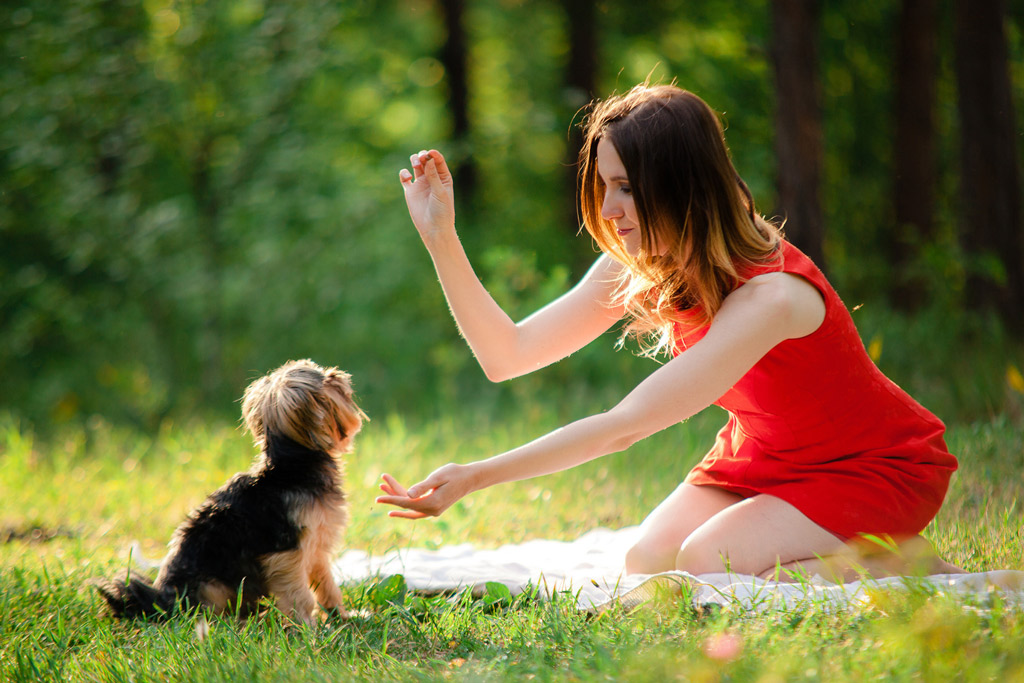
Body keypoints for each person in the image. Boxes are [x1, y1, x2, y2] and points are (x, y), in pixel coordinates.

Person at [377, 83, 962, 581]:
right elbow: (509, 355)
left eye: (627, 187)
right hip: (763, 457)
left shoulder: (774, 297)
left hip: (869, 468)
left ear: (685, 185)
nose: (609, 210)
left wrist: (476, 477)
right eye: (605, 186)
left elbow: (621, 429)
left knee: (708, 562)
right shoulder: (650, 258)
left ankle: (903, 560)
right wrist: (441, 237)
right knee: (648, 561)